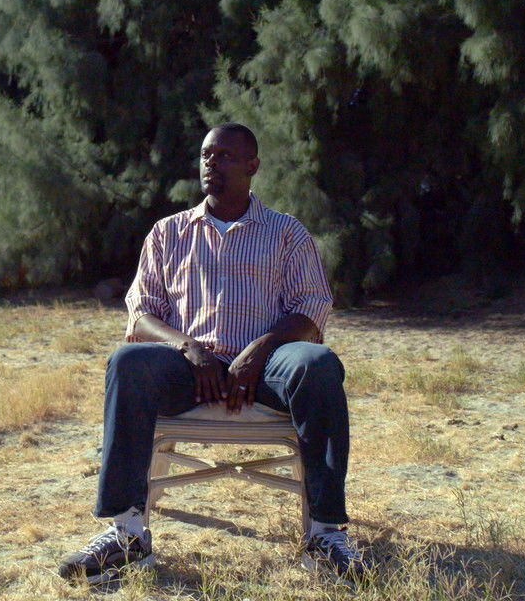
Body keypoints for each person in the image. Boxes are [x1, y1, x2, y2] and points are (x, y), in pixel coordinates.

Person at [57, 122, 367, 585]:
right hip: (189, 368)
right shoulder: (169, 232)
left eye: (224, 155)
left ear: (252, 165)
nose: (211, 163)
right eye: (206, 155)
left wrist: (260, 350)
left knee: (318, 364)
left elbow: (312, 306)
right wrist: (188, 347)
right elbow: (141, 313)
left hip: (266, 368)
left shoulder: (286, 232)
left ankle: (324, 535)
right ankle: (127, 535)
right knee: (127, 362)